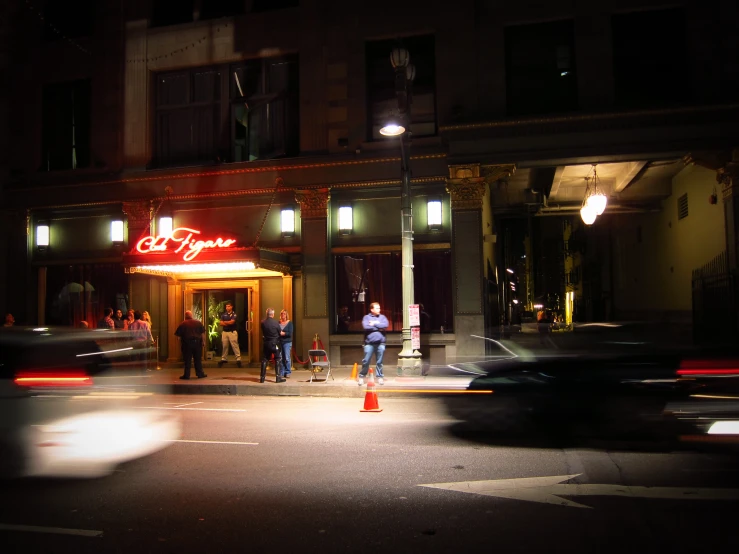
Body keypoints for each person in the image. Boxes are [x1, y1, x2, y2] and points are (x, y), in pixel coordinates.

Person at [359, 302, 389, 386]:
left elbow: (386, 325)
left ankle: (380, 377)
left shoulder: (382, 317)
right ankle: (362, 376)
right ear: (372, 309)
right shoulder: (366, 317)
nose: (379, 309)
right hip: (369, 344)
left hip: (380, 343)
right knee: (366, 361)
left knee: (379, 362)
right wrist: (379, 327)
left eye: (379, 308)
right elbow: (366, 327)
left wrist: (374, 324)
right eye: (377, 308)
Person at [175, 310, 207, 379]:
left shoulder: (183, 324)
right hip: (197, 343)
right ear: (191, 315)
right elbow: (202, 333)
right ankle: (200, 374)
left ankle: (187, 375)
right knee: (197, 359)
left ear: (185, 316)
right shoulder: (198, 323)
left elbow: (178, 336)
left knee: (187, 360)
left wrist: (180, 344)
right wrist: (203, 341)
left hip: (187, 344)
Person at [260, 308, 284, 383]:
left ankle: (262, 378)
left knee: (264, 359)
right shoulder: (276, 322)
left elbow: (263, 333)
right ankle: (278, 377)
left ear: (267, 314)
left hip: (267, 343)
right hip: (275, 343)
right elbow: (280, 332)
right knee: (278, 359)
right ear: (272, 314)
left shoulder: (263, 322)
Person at [217, 302, 242, 368]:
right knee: (225, 345)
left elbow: (232, 322)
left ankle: (238, 359)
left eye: (228, 306)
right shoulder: (223, 315)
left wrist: (225, 322)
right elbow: (221, 323)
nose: (227, 308)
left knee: (235, 345)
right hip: (225, 332)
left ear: (231, 307)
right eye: (226, 306)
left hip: (232, 332)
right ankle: (224, 359)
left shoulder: (234, 314)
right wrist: (228, 322)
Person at [278, 309, 294, 379]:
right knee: (281, 357)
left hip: (287, 342)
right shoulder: (278, 323)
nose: (283, 315)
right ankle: (282, 371)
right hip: (280, 342)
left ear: (286, 315)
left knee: (287, 358)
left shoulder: (289, 323)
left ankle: (287, 372)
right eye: (281, 313)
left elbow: (290, 333)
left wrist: (283, 333)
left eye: (284, 314)